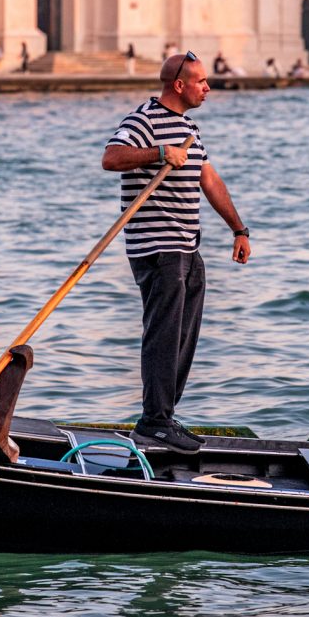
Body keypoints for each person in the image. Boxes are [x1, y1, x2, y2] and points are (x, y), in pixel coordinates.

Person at [102, 50, 252, 453]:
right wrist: (159, 153)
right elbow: (111, 157)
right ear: (179, 85)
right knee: (164, 335)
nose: (208, 87)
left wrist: (239, 229)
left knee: (185, 336)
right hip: (157, 249)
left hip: (188, 248)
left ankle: (163, 417)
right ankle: (153, 421)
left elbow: (209, 178)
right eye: (201, 81)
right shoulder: (143, 120)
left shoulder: (189, 127)